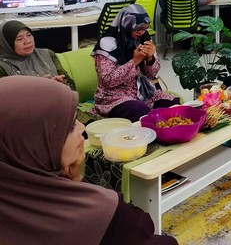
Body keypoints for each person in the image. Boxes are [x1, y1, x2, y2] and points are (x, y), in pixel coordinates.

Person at [0, 75, 178, 245]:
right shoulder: (97, 214)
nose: (81, 128)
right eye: (70, 126)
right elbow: (142, 224)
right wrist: (77, 178)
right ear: (35, 145)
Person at [92, 4, 180, 122]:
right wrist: (134, 61)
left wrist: (150, 59)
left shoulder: (144, 38)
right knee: (140, 111)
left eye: (145, 28)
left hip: (143, 91)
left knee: (173, 104)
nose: (142, 32)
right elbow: (108, 81)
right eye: (138, 29)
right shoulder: (107, 44)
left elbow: (151, 74)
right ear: (126, 26)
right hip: (115, 96)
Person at [0, 19, 75, 89]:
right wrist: (38, 86)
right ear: (6, 44)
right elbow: (5, 97)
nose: (27, 41)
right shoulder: (2, 67)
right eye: (19, 39)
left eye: (29, 35)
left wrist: (60, 83)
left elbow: (72, 87)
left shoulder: (47, 54)